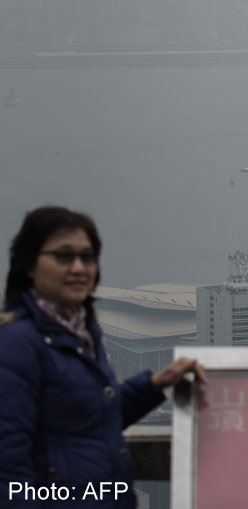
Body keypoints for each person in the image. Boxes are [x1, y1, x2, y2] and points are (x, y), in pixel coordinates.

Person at [0, 206, 206, 509]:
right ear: (29, 264)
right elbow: (10, 473)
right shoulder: (16, 344)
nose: (79, 268)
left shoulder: (81, 331)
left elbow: (90, 421)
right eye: (63, 256)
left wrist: (155, 384)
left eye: (88, 257)